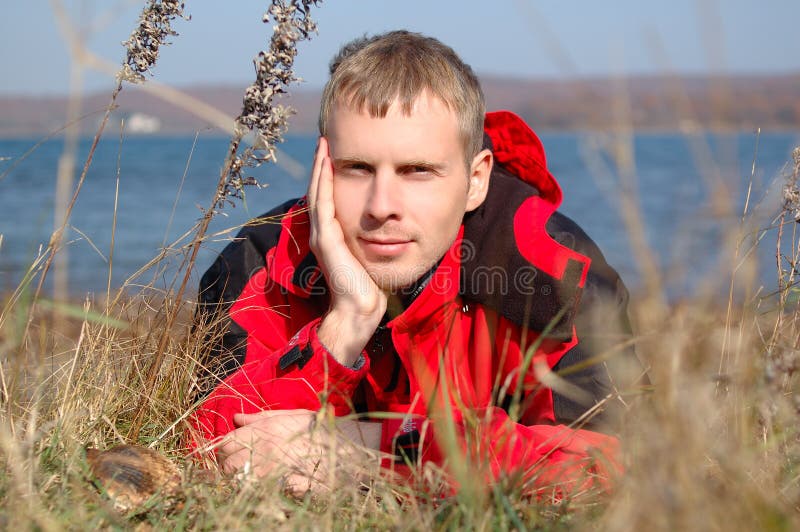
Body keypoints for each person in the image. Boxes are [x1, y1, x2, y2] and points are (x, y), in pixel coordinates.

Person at [190, 30, 643, 496]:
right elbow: (212, 446)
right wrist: (344, 326)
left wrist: (375, 449)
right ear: (322, 166)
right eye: (357, 168)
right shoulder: (264, 259)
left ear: (475, 180)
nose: (382, 205)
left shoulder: (552, 270)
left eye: (417, 171)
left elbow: (612, 465)